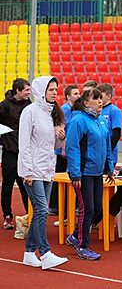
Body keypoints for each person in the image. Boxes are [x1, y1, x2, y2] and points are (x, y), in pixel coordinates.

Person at [18, 76, 68, 269]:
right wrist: (27, 171)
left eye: (56, 89)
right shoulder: (29, 112)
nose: (55, 92)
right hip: (32, 170)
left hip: (47, 168)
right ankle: (45, 253)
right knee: (41, 210)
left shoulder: (52, 113)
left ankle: (29, 252)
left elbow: (51, 145)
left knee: (41, 211)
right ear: (41, 91)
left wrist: (60, 139)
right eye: (51, 89)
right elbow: (24, 143)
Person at [65, 88, 114, 261]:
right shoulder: (78, 120)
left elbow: (107, 145)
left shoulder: (101, 120)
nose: (100, 101)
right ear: (86, 102)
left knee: (97, 208)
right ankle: (83, 246)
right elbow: (72, 148)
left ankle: (74, 236)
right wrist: (75, 173)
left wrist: (109, 167)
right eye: (95, 98)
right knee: (87, 209)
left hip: (97, 172)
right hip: (84, 173)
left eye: (100, 98)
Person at [0, 78, 31, 230]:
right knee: (7, 185)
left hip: (24, 152)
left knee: (25, 185)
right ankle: (7, 216)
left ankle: (28, 215)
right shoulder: (4, 106)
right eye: (26, 90)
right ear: (18, 91)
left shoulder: (28, 104)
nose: (29, 92)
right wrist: (4, 139)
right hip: (10, 152)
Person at [50, 85, 80, 216]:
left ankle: (58, 206)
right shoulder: (66, 109)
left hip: (65, 148)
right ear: (68, 96)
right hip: (63, 150)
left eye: (79, 93)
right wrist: (64, 147)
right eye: (75, 93)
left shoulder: (71, 109)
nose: (78, 95)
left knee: (62, 177)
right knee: (61, 178)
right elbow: (62, 128)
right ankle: (57, 206)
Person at [98, 83, 122, 165]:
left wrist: (107, 150)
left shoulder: (114, 111)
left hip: (109, 155)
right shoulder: (97, 110)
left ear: (108, 96)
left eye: (101, 95)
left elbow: (116, 134)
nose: (98, 98)